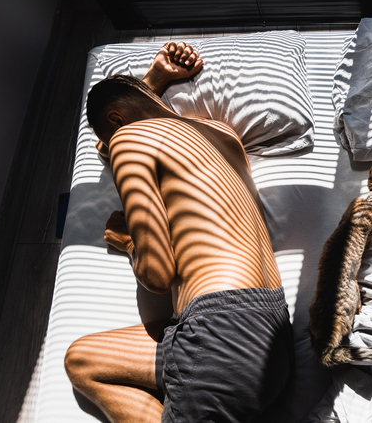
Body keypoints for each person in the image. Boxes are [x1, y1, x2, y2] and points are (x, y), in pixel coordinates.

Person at [64, 42, 293, 423]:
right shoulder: (222, 135)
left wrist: (130, 244)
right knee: (83, 360)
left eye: (107, 136)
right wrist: (153, 81)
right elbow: (133, 113)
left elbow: (158, 275)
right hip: (270, 333)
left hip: (220, 332)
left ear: (117, 122)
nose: (107, 148)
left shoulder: (128, 140)